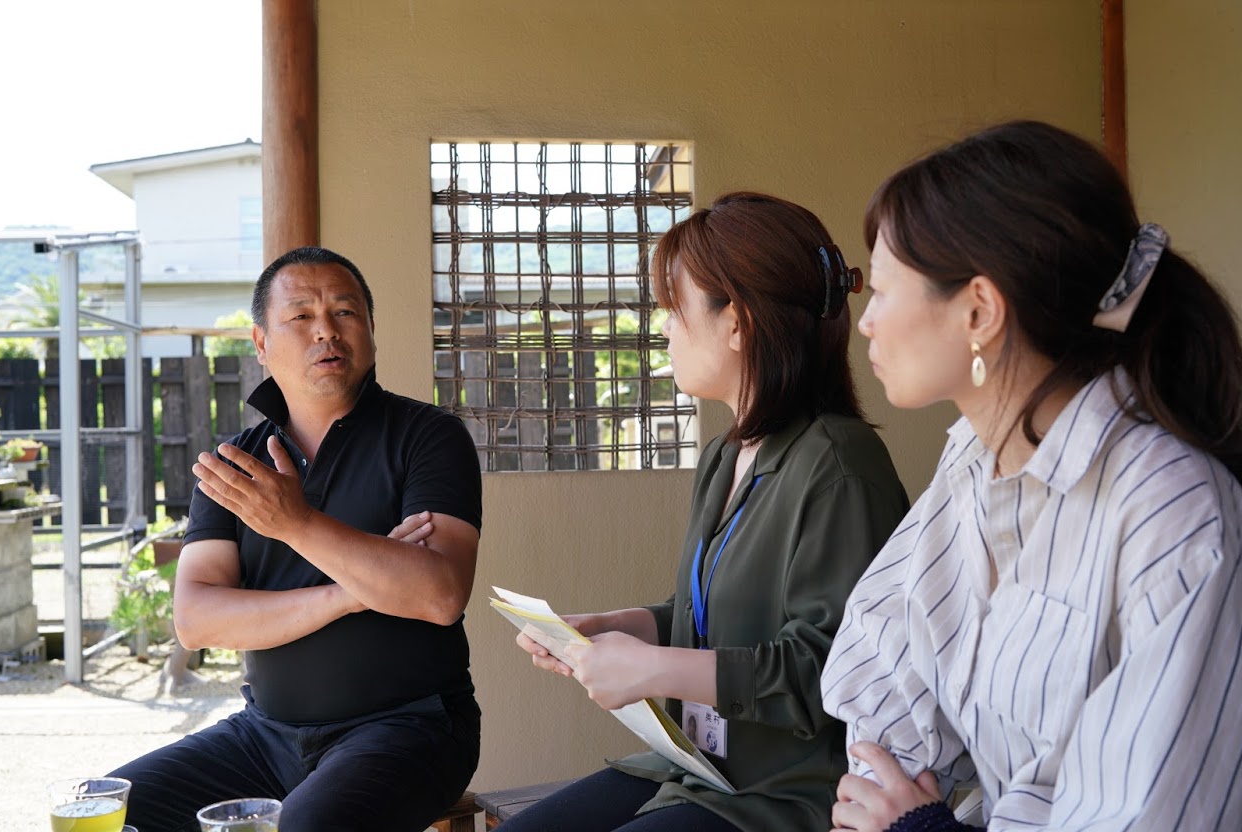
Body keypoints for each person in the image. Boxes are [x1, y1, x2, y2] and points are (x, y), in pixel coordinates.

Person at [820, 121, 1242, 831]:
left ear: (979, 311)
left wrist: (921, 829)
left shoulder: (1171, 511)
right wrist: (881, 793)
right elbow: (884, 674)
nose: (866, 324)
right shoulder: (973, 462)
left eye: (884, 290)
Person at [503, 192, 910, 832]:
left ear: (738, 321)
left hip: (783, 797)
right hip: (695, 767)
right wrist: (614, 626)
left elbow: (830, 669)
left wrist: (653, 670)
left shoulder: (838, 462)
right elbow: (709, 617)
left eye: (674, 306)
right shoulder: (726, 454)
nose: (662, 325)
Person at [109, 246, 484, 832]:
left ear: (372, 331)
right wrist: (353, 591)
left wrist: (296, 524)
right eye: (301, 316)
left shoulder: (428, 436)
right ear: (261, 343)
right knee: (107, 807)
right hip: (263, 735)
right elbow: (198, 619)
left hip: (410, 727)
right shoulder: (235, 466)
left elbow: (437, 596)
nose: (326, 332)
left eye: (345, 313)